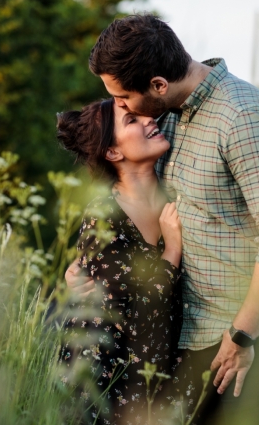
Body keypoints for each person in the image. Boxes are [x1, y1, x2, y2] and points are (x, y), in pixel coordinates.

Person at [65, 14, 259, 425]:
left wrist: (243, 334)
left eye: (124, 98)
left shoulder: (244, 116)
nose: (124, 107)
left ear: (159, 85)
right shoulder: (168, 117)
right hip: (202, 334)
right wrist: (86, 263)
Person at [56, 99, 190, 424]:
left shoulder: (182, 194)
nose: (149, 119)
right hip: (106, 383)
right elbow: (135, 307)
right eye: (132, 120)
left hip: (159, 375)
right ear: (113, 152)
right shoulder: (103, 215)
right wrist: (172, 250)